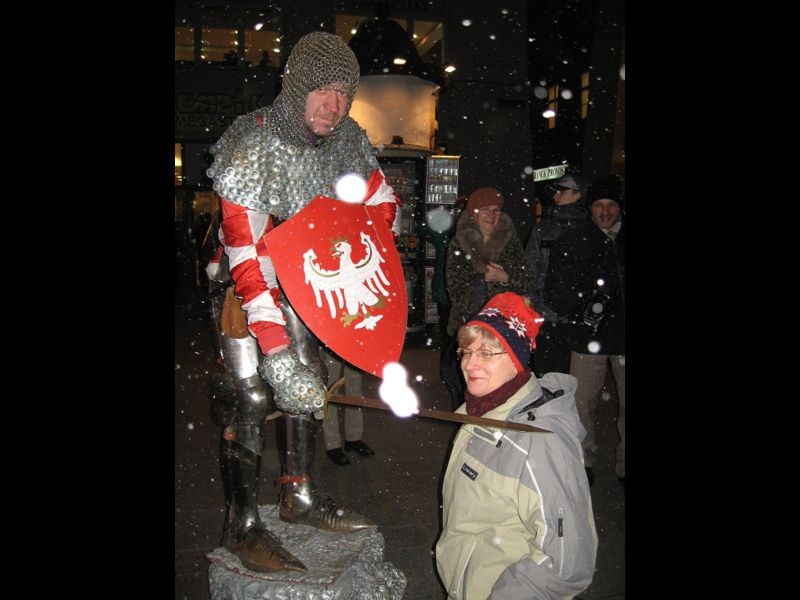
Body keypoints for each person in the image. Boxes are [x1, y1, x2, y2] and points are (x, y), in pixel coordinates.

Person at [204, 31, 401, 573]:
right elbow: (246, 259)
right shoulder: (252, 144)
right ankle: (241, 523)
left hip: (305, 289)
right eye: (321, 91)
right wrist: (274, 348)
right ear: (295, 87)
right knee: (247, 396)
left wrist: (350, 232)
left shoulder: (349, 141)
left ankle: (300, 495)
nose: (333, 107)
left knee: (308, 384)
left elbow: (384, 201)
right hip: (245, 293)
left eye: (343, 94)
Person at [435, 292, 597, 599]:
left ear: (516, 358)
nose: (470, 364)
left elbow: (566, 564)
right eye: (466, 352)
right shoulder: (483, 411)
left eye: (486, 353)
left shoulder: (540, 444)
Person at [546, 174, 625, 486]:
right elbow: (554, 288)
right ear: (590, 208)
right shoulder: (574, 240)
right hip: (587, 335)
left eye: (611, 205)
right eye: (599, 205)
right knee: (582, 403)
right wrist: (581, 311)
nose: (605, 211)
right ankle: (584, 458)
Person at [443, 187, 536, 408]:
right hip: (470, 323)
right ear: (473, 213)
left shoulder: (510, 241)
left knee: (503, 385)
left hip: (505, 328)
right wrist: (479, 313)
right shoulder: (459, 243)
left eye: (495, 210)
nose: (491, 216)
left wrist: (504, 277)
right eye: (485, 210)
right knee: (468, 382)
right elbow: (453, 287)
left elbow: (530, 280)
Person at [524, 173, 588, 376]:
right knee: (548, 376)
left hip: (579, 319)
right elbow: (530, 270)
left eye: (563, 190)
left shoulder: (589, 230)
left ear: (579, 194)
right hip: (547, 317)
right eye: (556, 190)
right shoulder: (543, 230)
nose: (557, 194)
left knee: (577, 381)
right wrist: (537, 306)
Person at [318, 346, 375, 466]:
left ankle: (354, 438)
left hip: (354, 342)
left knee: (355, 393)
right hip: (330, 339)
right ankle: (332, 444)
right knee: (330, 393)